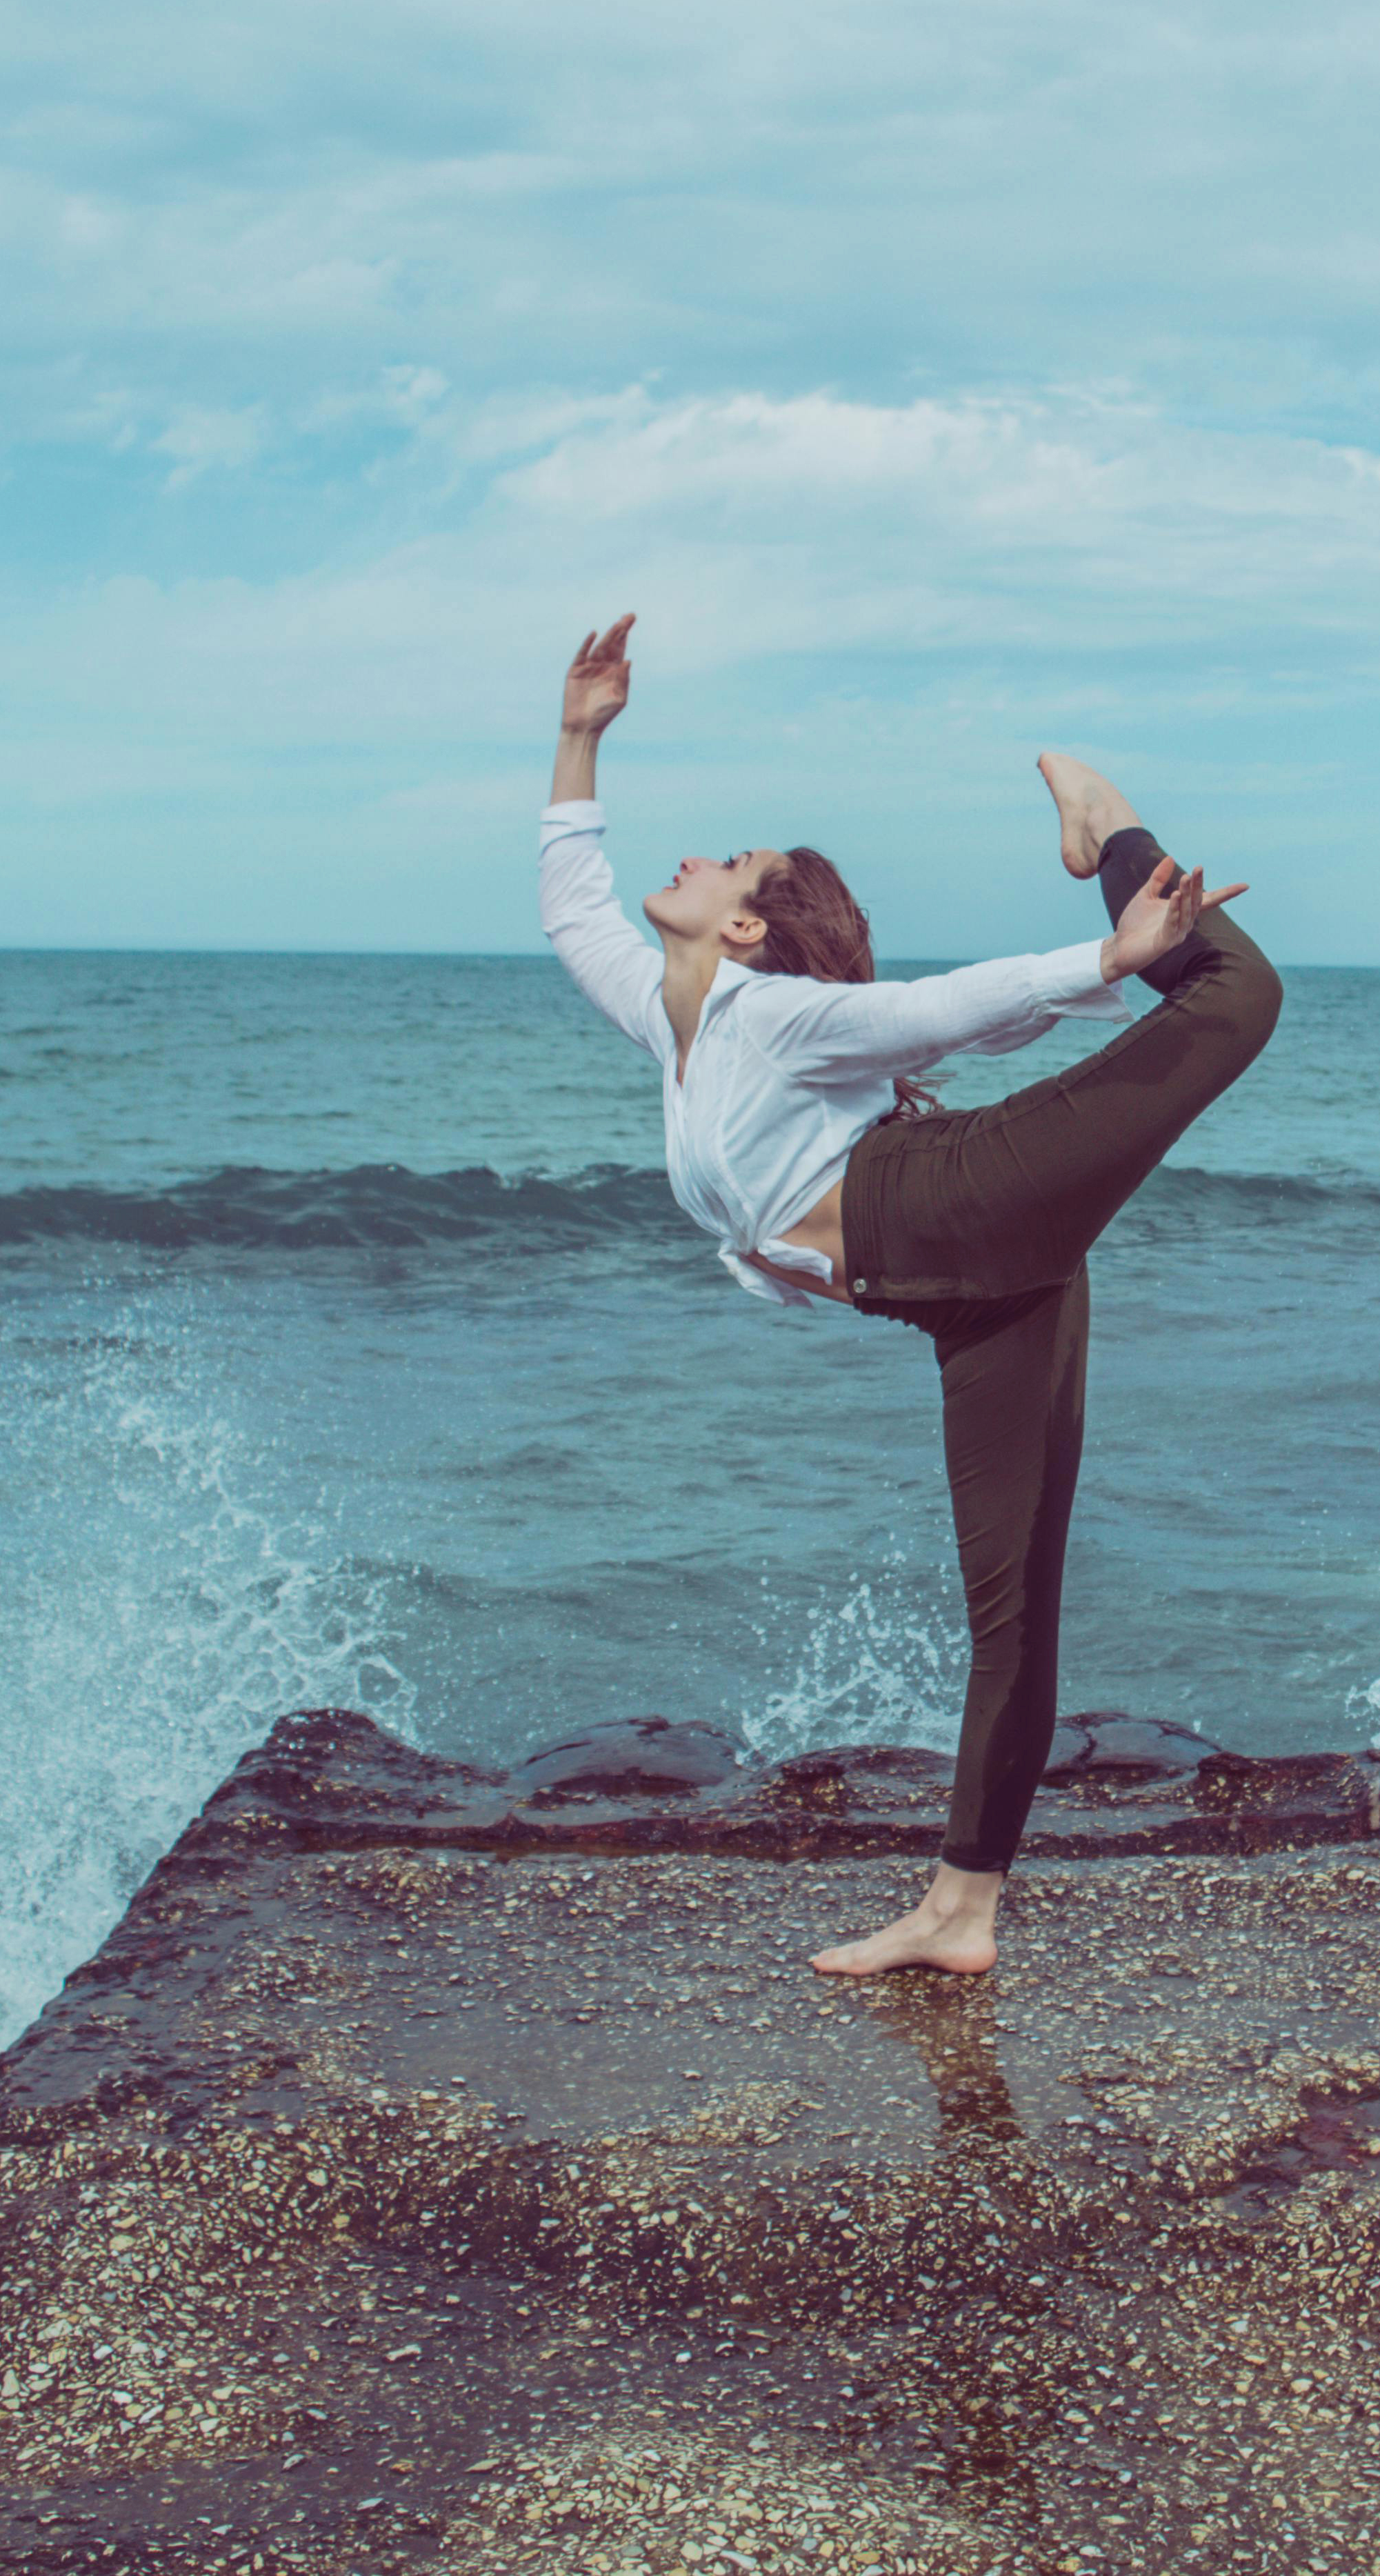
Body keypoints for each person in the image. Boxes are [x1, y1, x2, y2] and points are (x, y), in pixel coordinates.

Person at [534, 614, 1279, 1977]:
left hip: (962, 1199)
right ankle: (962, 1910)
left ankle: (1109, 825)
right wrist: (582, 733)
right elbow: (572, 908)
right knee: (1014, 1610)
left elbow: (933, 1013)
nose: (693, 858)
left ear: (746, 925)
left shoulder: (773, 1018)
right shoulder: (671, 1020)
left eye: (727, 861)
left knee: (1235, 996)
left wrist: (1110, 957)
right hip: (963, 1291)